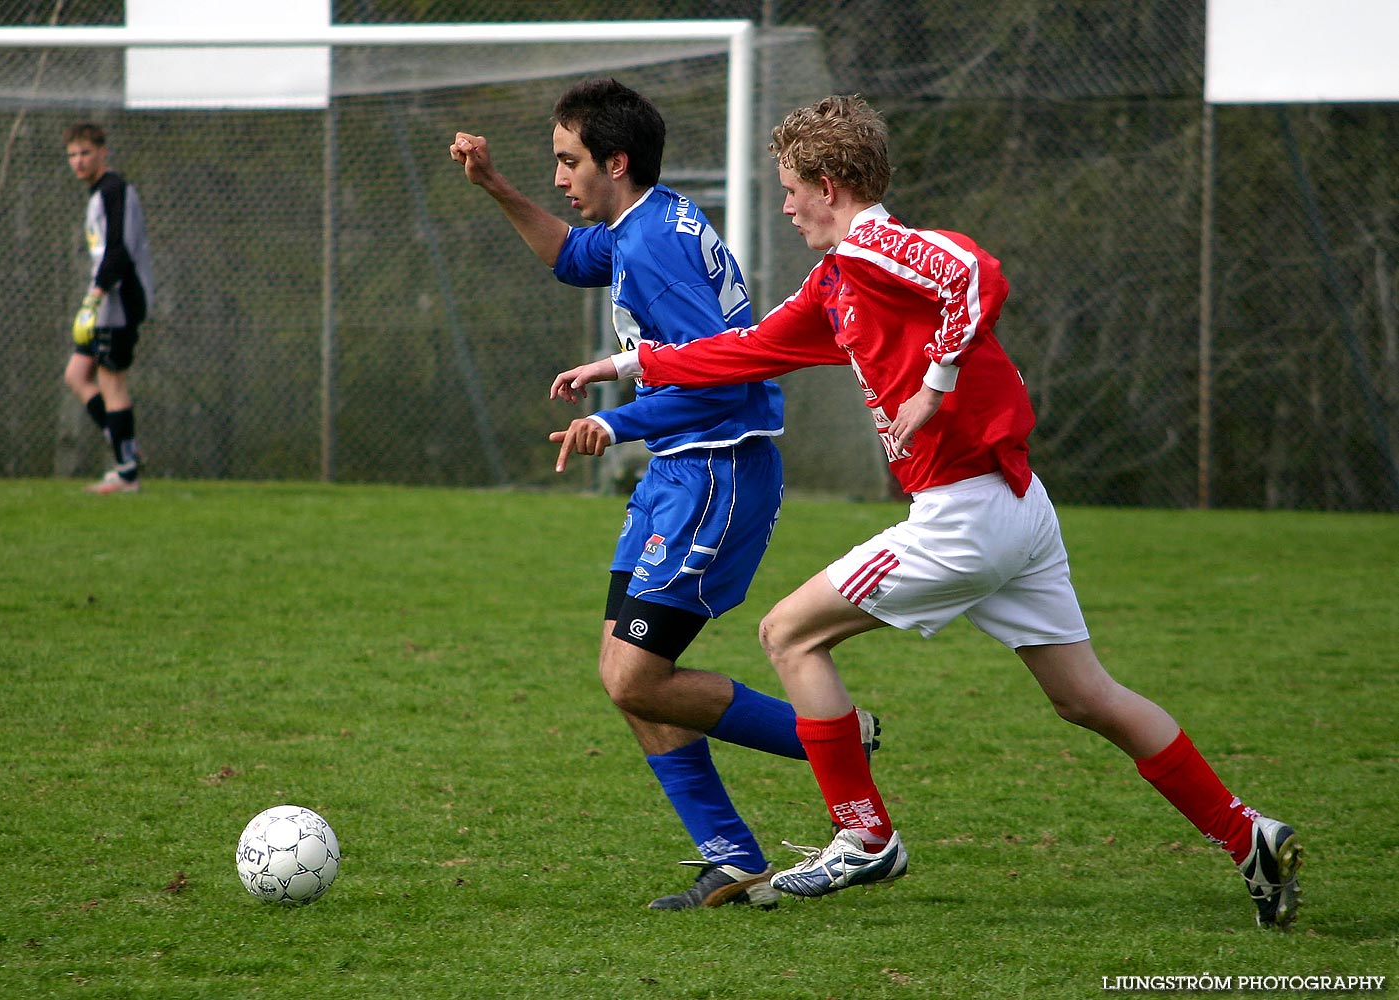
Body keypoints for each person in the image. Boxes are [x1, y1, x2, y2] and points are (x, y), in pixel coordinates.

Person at [550, 94, 1303, 928]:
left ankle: (863, 837)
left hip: (964, 517)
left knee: (788, 634)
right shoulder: (835, 280)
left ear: (829, 185)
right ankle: (1249, 834)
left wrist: (936, 386)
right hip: (1018, 509)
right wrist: (623, 365)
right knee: (1088, 698)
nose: (785, 202)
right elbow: (747, 349)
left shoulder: (876, 247)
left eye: (792, 188)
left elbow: (976, 272)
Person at [450, 78, 881, 910]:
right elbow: (575, 261)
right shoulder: (642, 222)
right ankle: (731, 857)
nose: (559, 177)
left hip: (714, 471)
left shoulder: (655, 247)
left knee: (633, 676)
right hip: (678, 476)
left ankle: (835, 738)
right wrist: (494, 186)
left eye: (567, 161)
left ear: (614, 161)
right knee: (626, 671)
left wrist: (615, 425)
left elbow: (723, 378)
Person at [63, 122, 154, 495]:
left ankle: (126, 474)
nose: (78, 162)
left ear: (102, 152)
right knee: (76, 374)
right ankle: (125, 446)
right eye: (72, 155)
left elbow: (118, 250)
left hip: (118, 298)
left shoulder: (115, 190)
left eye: (85, 153)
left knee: (110, 380)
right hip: (104, 298)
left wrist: (96, 293)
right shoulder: (99, 193)